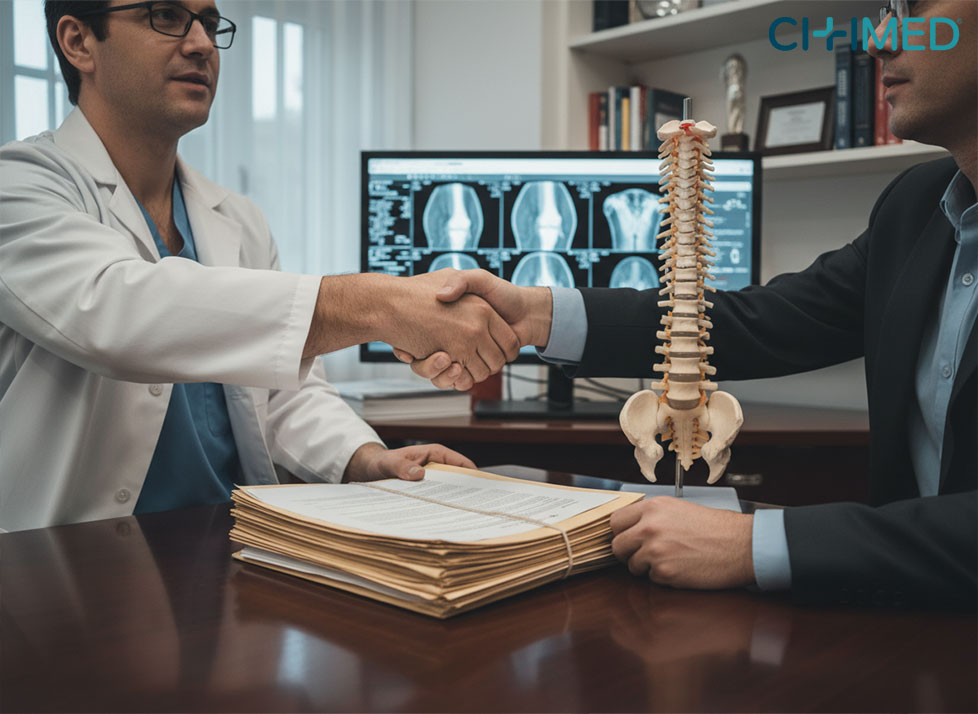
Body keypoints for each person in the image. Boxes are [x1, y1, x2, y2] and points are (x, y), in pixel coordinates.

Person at [400, 0, 977, 607]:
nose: (879, 39)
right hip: (903, 625)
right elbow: (764, 322)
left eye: (917, 5)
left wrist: (751, 544)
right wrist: (535, 315)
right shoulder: (916, 206)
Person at [0, 0, 521, 531]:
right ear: (79, 42)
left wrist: (365, 458)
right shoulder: (18, 186)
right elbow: (118, 312)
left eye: (209, 23)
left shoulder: (237, 218)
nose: (201, 44)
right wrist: (381, 305)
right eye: (166, 16)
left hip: (228, 547)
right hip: (65, 554)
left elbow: (281, 396)